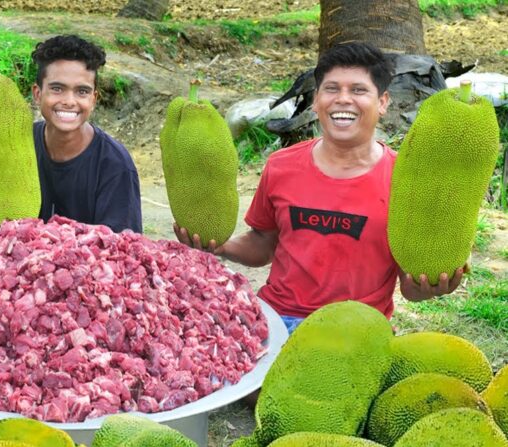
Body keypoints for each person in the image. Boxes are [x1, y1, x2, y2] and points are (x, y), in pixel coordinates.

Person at [175, 42, 464, 333]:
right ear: (316, 100)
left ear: (383, 102)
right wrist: (219, 245)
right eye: (332, 89)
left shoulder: (405, 178)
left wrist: (430, 286)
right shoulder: (281, 166)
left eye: (359, 90)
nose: (343, 99)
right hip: (276, 320)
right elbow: (262, 246)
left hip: (358, 329)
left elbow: (409, 288)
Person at [31, 35, 143, 233]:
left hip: (92, 263)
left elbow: (122, 250)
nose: (69, 101)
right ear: (38, 94)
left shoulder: (116, 165)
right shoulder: (21, 146)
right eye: (57, 89)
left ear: (94, 99)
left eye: (82, 91)